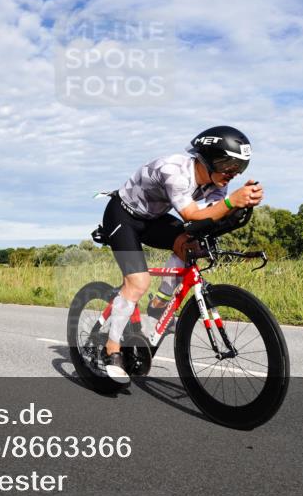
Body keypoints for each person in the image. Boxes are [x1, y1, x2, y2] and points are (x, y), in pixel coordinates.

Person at [99, 126, 264, 384]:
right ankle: (111, 350)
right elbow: (191, 215)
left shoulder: (216, 184)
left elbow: (207, 221)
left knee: (191, 245)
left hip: (152, 219)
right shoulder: (174, 171)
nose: (233, 174)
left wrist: (239, 207)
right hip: (122, 215)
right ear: (207, 159)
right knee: (138, 282)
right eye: (228, 166)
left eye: (240, 168)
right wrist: (232, 202)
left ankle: (158, 305)